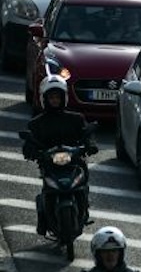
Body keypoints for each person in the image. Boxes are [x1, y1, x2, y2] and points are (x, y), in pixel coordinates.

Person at [25, 74, 92, 237]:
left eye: (58, 97)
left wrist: (90, 146)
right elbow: (29, 142)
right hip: (50, 165)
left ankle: (84, 210)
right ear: (44, 99)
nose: (55, 100)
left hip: (73, 163)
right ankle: (43, 220)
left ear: (64, 98)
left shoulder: (76, 118)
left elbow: (87, 134)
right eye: (51, 97)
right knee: (46, 192)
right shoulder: (37, 123)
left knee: (84, 184)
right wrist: (31, 151)